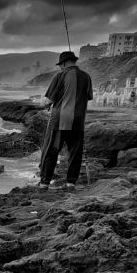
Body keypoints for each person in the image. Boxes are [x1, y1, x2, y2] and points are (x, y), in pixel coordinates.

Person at [38, 51, 93, 189]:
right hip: (78, 120)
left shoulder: (60, 76)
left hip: (59, 120)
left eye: (60, 65)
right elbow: (89, 97)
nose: (60, 67)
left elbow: (48, 101)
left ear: (63, 63)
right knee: (75, 152)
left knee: (51, 150)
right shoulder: (86, 77)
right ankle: (71, 182)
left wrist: (41, 103)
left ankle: (44, 183)